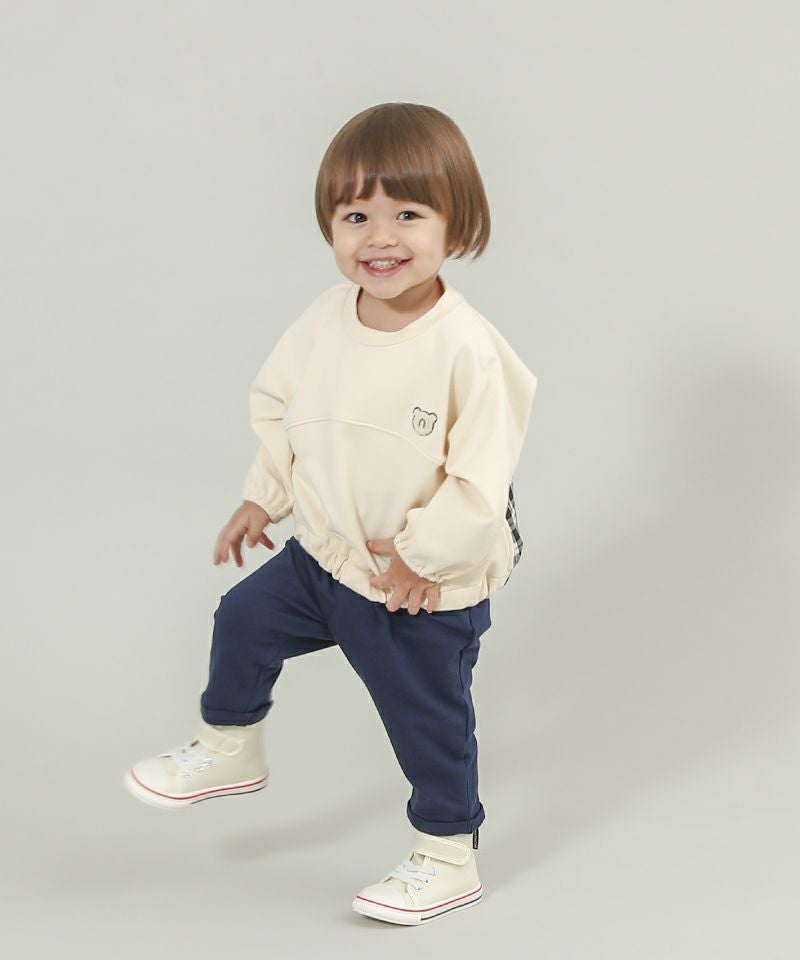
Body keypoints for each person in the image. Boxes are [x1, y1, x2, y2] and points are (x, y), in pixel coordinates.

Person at [123, 101, 538, 926]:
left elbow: (482, 484)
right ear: (331, 227)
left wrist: (424, 557)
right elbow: (284, 410)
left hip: (414, 588)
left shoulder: (469, 350)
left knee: (425, 721)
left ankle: (446, 853)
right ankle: (231, 743)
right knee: (242, 618)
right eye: (356, 217)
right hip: (324, 557)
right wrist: (263, 496)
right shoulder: (324, 320)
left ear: (457, 224)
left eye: (407, 215)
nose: (380, 238)